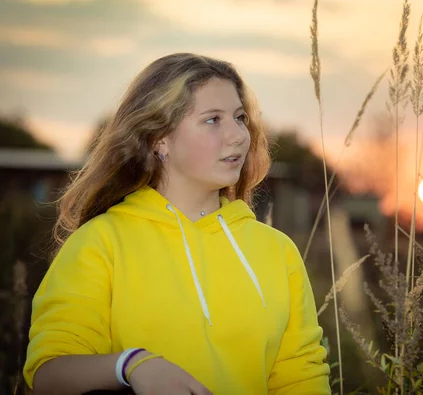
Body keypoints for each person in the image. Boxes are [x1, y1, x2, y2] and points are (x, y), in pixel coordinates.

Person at [23, 53, 331, 394]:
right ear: (160, 140)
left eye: (240, 117)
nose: (238, 136)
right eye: (213, 120)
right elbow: (48, 375)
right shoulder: (101, 243)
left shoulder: (278, 251)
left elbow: (301, 377)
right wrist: (130, 365)